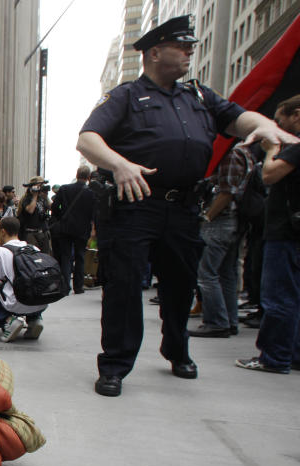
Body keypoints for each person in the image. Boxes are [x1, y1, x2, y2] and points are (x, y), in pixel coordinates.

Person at [76, 14, 298, 397]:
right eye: (182, 47)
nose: (189, 52)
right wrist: (120, 164)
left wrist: (261, 126)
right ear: (154, 52)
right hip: (135, 203)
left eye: (191, 46)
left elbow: (238, 118)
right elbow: (88, 139)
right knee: (124, 287)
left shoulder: (199, 96)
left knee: (180, 286)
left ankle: (177, 349)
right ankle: (115, 364)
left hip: (183, 207)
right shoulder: (127, 96)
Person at [236, 95, 300, 373]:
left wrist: (273, 147)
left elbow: (270, 175)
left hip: (286, 232)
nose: (277, 126)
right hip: (291, 230)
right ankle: (291, 354)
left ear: (296, 115)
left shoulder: (295, 146)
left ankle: (274, 357)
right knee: (292, 296)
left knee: (279, 296)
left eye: (280, 120)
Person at [190, 143, 263, 338]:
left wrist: (207, 217)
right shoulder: (245, 152)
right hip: (236, 221)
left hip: (222, 220)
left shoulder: (231, 153)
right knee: (226, 273)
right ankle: (229, 320)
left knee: (206, 274)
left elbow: (226, 192)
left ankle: (216, 322)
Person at [0, 216, 46, 342]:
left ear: (3, 231)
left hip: (16, 302)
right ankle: (35, 319)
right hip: (40, 301)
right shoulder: (33, 249)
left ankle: (8, 321)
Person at [50, 166, 96, 295]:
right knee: (80, 256)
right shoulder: (91, 192)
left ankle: (65, 287)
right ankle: (79, 286)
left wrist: (61, 217)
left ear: (76, 175)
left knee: (66, 257)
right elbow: (94, 212)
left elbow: (54, 206)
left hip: (66, 227)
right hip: (82, 228)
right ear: (88, 178)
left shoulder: (65, 189)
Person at [17, 176, 52, 255]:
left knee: (46, 256)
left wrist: (46, 195)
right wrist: (35, 195)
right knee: (33, 256)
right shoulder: (27, 198)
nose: (42, 187)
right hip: (31, 233)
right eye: (40, 185)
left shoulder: (42, 198)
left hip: (43, 232)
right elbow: (30, 210)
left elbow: (51, 207)